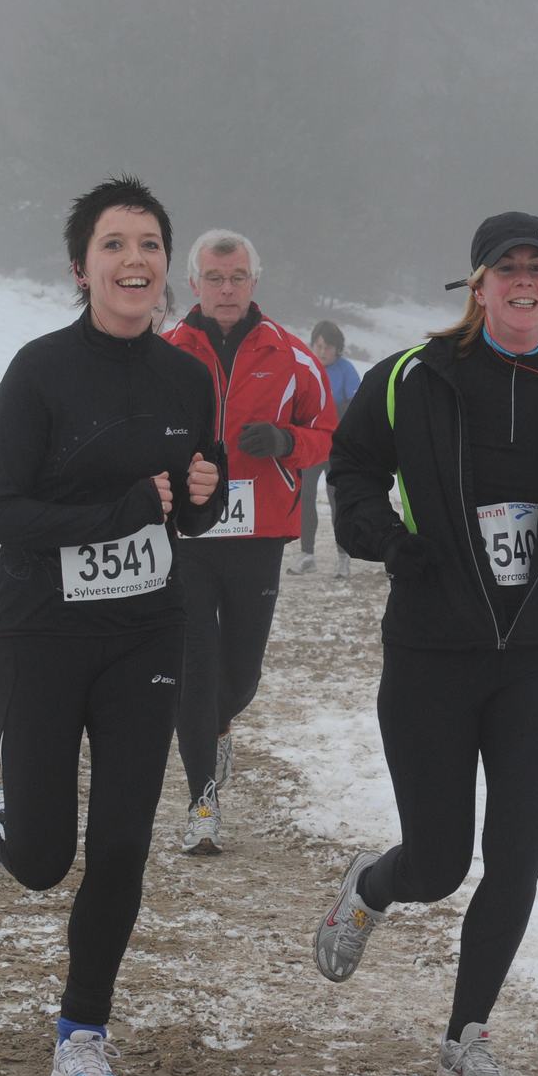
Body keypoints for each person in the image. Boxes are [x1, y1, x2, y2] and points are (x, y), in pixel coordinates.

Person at [312, 211, 538, 1076]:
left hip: (536, 659)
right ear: (477, 285)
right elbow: (351, 469)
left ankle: (467, 1034)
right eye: (506, 267)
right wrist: (380, 534)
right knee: (438, 864)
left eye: (537, 267)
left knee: (517, 857)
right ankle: (371, 887)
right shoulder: (414, 378)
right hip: (432, 654)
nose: (523, 280)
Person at [0, 176, 225, 1076]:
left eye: (149, 244)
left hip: (146, 633)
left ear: (165, 266)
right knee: (46, 859)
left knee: (124, 843)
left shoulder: (187, 378)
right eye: (114, 245)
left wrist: (206, 495)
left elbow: (189, 509)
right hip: (42, 632)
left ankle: (83, 1032)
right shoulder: (41, 371)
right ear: (81, 267)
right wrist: (119, 512)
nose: (134, 260)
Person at [165, 230, 337, 855]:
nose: (227, 288)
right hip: (188, 535)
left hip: (258, 533)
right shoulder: (167, 352)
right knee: (194, 666)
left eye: (237, 277)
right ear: (194, 284)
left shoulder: (291, 354)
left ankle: (220, 727)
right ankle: (201, 802)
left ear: (254, 282)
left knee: (239, 677)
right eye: (215, 278)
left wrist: (287, 442)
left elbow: (328, 432)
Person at [286, 319, 361, 578]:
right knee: (305, 496)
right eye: (318, 345)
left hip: (337, 447)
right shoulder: (306, 367)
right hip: (312, 444)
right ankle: (307, 554)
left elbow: (355, 407)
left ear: (337, 348)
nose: (322, 351)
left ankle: (343, 555)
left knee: (336, 498)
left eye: (328, 347)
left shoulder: (346, 370)